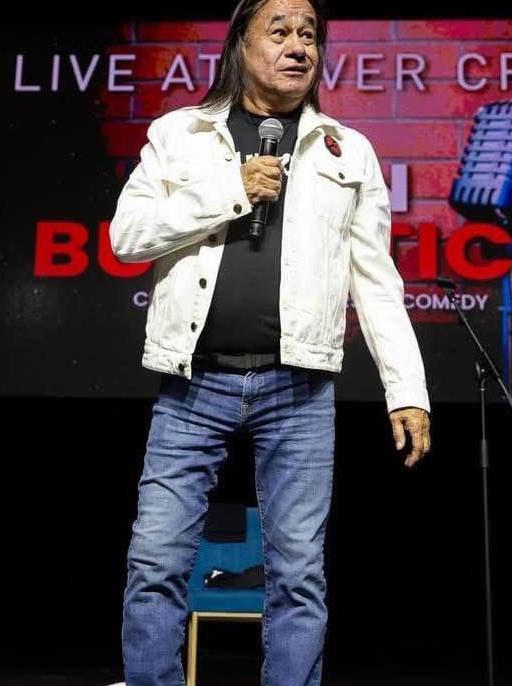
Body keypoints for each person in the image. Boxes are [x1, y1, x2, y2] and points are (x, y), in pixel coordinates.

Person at [109, 0, 431, 684]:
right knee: (155, 562)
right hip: (192, 386)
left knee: (298, 574)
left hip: (298, 389)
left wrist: (407, 391)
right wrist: (231, 189)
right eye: (279, 31)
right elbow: (126, 238)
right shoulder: (180, 134)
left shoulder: (347, 150)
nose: (298, 46)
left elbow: (377, 282)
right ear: (240, 45)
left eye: (308, 34)